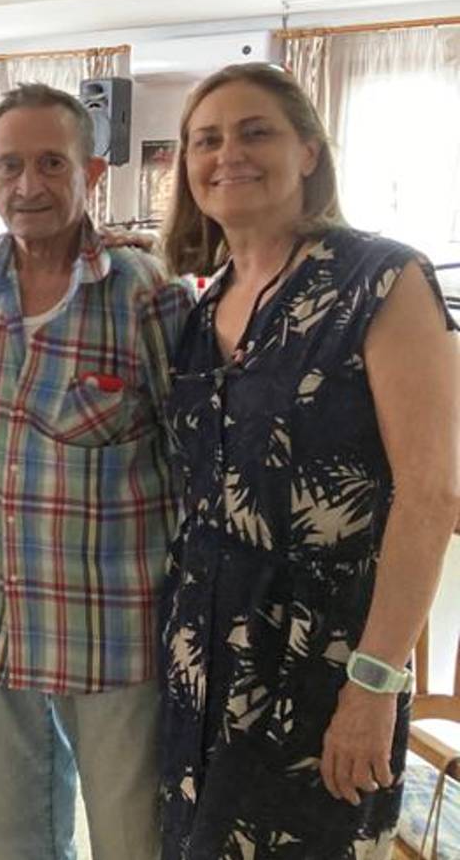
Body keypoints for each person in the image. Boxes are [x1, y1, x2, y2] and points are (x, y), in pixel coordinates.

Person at [158, 63, 460, 859]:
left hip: (324, 661)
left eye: (256, 131)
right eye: (207, 139)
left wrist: (374, 683)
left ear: (310, 153)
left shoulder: (382, 279)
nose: (229, 154)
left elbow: (430, 496)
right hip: (200, 655)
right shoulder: (201, 306)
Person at [0, 83, 195, 860]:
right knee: (11, 825)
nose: (28, 185)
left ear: (92, 172)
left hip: (107, 618)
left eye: (51, 163)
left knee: (128, 831)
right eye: (10, 165)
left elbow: (192, 454)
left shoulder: (147, 295)